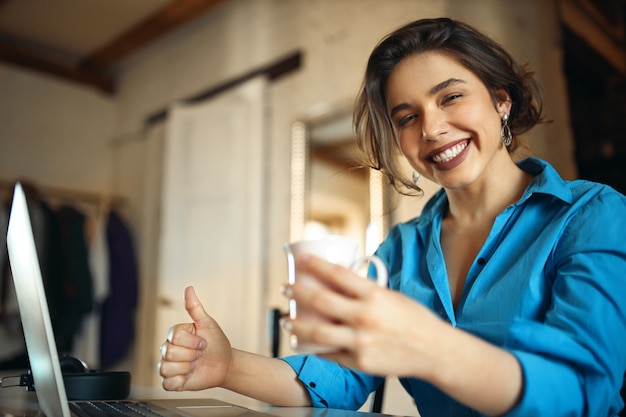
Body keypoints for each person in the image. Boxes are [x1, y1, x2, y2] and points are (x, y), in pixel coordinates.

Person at [157, 17, 626, 416]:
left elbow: (582, 388)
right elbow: (337, 380)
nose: (432, 129)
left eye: (451, 97)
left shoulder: (592, 214)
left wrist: (430, 346)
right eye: (407, 117)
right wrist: (227, 366)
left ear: (501, 101)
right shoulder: (401, 249)